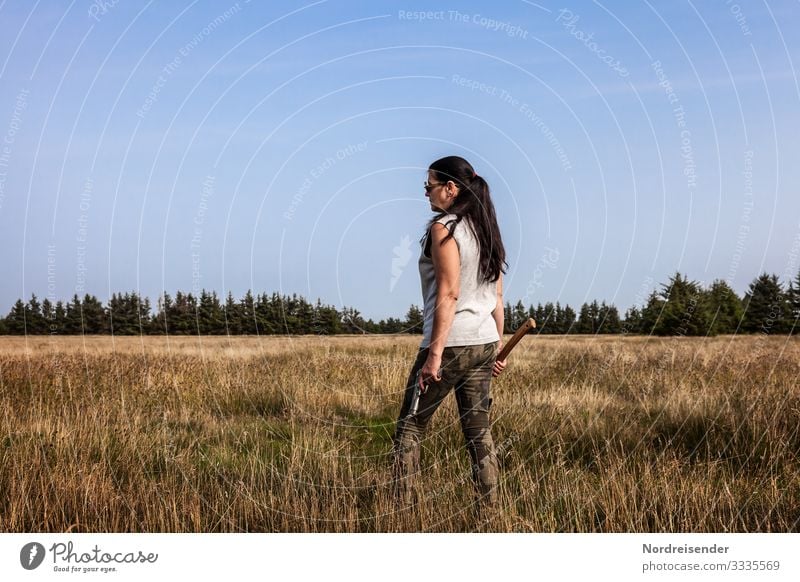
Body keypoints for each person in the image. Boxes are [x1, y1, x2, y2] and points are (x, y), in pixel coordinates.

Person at [392, 155, 509, 510]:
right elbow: (497, 296)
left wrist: (435, 356)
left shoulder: (445, 228)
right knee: (478, 432)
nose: (425, 193)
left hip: (452, 342)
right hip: (484, 340)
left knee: (409, 429)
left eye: (429, 186)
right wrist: (497, 349)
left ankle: (401, 510)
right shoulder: (485, 227)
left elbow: (449, 293)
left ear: (450, 188)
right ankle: (490, 510)